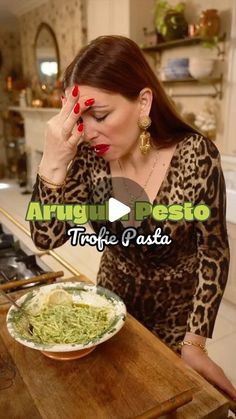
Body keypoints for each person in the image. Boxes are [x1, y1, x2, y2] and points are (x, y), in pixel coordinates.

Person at [29, 35, 236, 399]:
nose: (88, 131)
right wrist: (53, 161)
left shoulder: (196, 155)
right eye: (80, 119)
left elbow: (213, 253)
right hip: (109, 310)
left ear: (143, 102)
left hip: (175, 321)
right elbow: (46, 237)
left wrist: (196, 342)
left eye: (100, 115)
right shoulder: (89, 156)